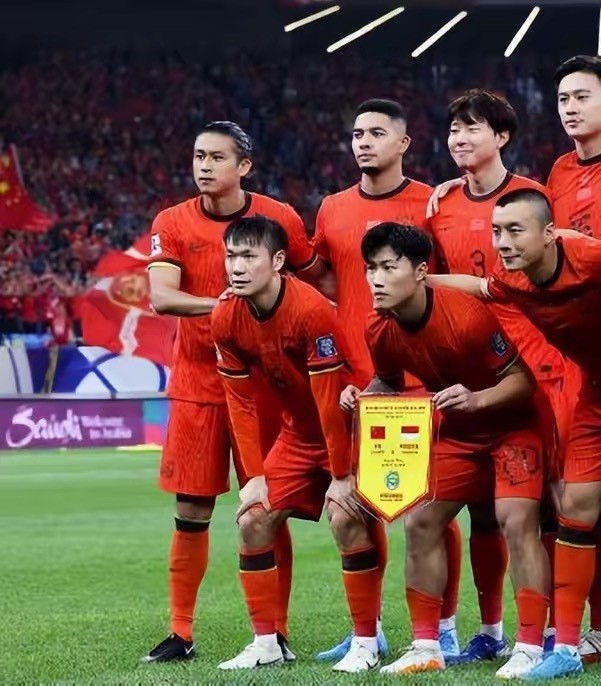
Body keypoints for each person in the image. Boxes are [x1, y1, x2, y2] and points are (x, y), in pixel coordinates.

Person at [427, 188, 601, 682]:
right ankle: (567, 647)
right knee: (574, 508)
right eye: (497, 232)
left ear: (549, 233)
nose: (503, 242)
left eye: (515, 231)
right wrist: (418, 278)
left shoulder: (597, 258)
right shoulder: (512, 277)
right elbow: (479, 287)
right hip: (598, 396)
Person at [142, 121, 319, 663]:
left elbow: (313, 283)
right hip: (197, 385)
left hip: (265, 389)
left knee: (267, 506)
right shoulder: (172, 221)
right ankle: (180, 632)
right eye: (199, 155)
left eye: (217, 157)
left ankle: (276, 633)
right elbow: (162, 297)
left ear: (244, 166)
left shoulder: (279, 217)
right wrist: (226, 305)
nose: (204, 166)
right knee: (191, 508)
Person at [349, 222, 552, 678]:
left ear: (421, 271)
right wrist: (363, 396)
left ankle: (529, 646)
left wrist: (477, 399)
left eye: (389, 267)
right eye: (371, 268)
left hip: (513, 428)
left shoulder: (467, 316)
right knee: (420, 521)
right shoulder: (378, 327)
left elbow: (523, 381)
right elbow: (388, 381)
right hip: (458, 434)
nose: (376, 279)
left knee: (515, 521)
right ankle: (426, 646)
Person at [427, 88, 569, 664]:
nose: (459, 138)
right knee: (483, 511)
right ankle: (491, 632)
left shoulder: (533, 199)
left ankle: (561, 631)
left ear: (502, 137)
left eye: (472, 128)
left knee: (551, 506)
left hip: (538, 367)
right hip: (471, 373)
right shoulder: (440, 207)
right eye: (454, 129)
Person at [310, 98, 452, 663]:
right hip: (356, 384)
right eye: (356, 134)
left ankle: (442, 629)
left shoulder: (432, 203)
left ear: (403, 143)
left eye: (375, 133)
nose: (363, 142)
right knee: (354, 508)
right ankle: (368, 633)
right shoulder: (331, 209)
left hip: (417, 380)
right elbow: (322, 278)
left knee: (427, 509)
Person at [210, 216, 383, 673]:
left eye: (249, 256)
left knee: (346, 518)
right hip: (299, 434)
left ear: (278, 261)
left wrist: (341, 475)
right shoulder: (224, 315)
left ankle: (366, 643)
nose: (237, 267)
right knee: (253, 520)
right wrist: (254, 477)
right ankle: (267, 643)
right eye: (231, 256)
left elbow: (328, 399)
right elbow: (239, 403)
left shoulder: (310, 309)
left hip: (348, 426)